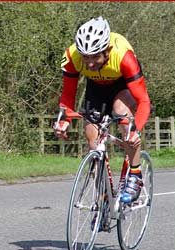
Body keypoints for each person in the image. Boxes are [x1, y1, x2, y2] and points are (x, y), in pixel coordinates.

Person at [54, 16, 151, 203]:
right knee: (92, 135)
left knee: (122, 112)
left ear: (107, 50)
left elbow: (144, 100)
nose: (89, 63)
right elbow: (68, 94)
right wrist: (64, 120)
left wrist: (135, 129)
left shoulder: (124, 56)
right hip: (96, 87)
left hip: (123, 85)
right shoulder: (72, 56)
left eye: (95, 57)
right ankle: (103, 196)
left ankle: (135, 174)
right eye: (86, 57)